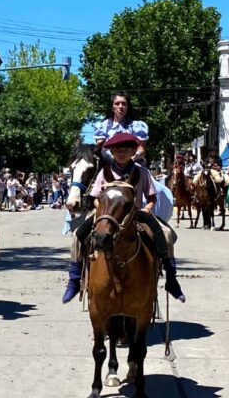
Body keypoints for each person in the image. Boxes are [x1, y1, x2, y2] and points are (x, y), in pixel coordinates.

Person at [62, 133, 185, 304]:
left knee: (165, 234)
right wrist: (103, 212)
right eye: (118, 150)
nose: (122, 153)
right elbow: (95, 197)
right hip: (106, 213)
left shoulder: (141, 172)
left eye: (126, 150)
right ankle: (74, 280)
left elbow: (151, 197)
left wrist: (147, 210)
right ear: (112, 151)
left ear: (133, 151)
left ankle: (172, 280)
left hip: (136, 212)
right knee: (77, 235)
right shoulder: (104, 172)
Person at [94, 91, 149, 164]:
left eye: (124, 104)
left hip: (133, 164)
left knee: (145, 174)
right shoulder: (103, 126)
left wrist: (129, 159)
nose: (120, 106)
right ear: (112, 107)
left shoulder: (137, 126)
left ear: (127, 107)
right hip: (109, 165)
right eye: (117, 103)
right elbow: (99, 149)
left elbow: (141, 149)